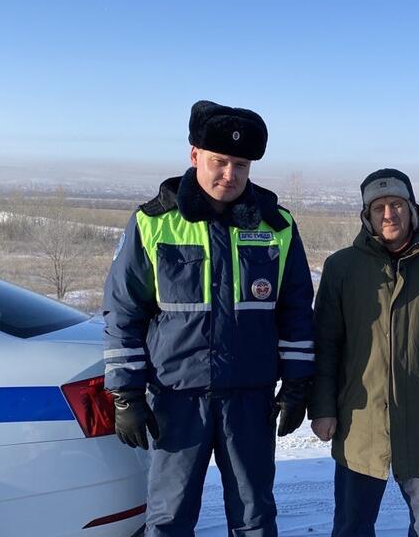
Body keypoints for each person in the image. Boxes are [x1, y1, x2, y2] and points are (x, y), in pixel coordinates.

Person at [102, 100, 315, 537]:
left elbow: (296, 310)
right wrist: (125, 394)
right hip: (177, 397)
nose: (229, 175)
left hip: (250, 399)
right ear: (194, 154)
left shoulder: (277, 226)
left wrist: (296, 384)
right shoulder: (153, 223)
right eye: (219, 161)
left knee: (255, 518)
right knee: (170, 519)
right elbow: (124, 310)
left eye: (241, 165)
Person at [310, 168, 419, 537]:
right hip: (359, 425)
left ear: (412, 209)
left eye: (398, 204)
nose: (389, 214)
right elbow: (326, 347)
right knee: (352, 526)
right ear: (366, 216)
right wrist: (322, 408)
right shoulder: (341, 268)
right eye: (379, 207)